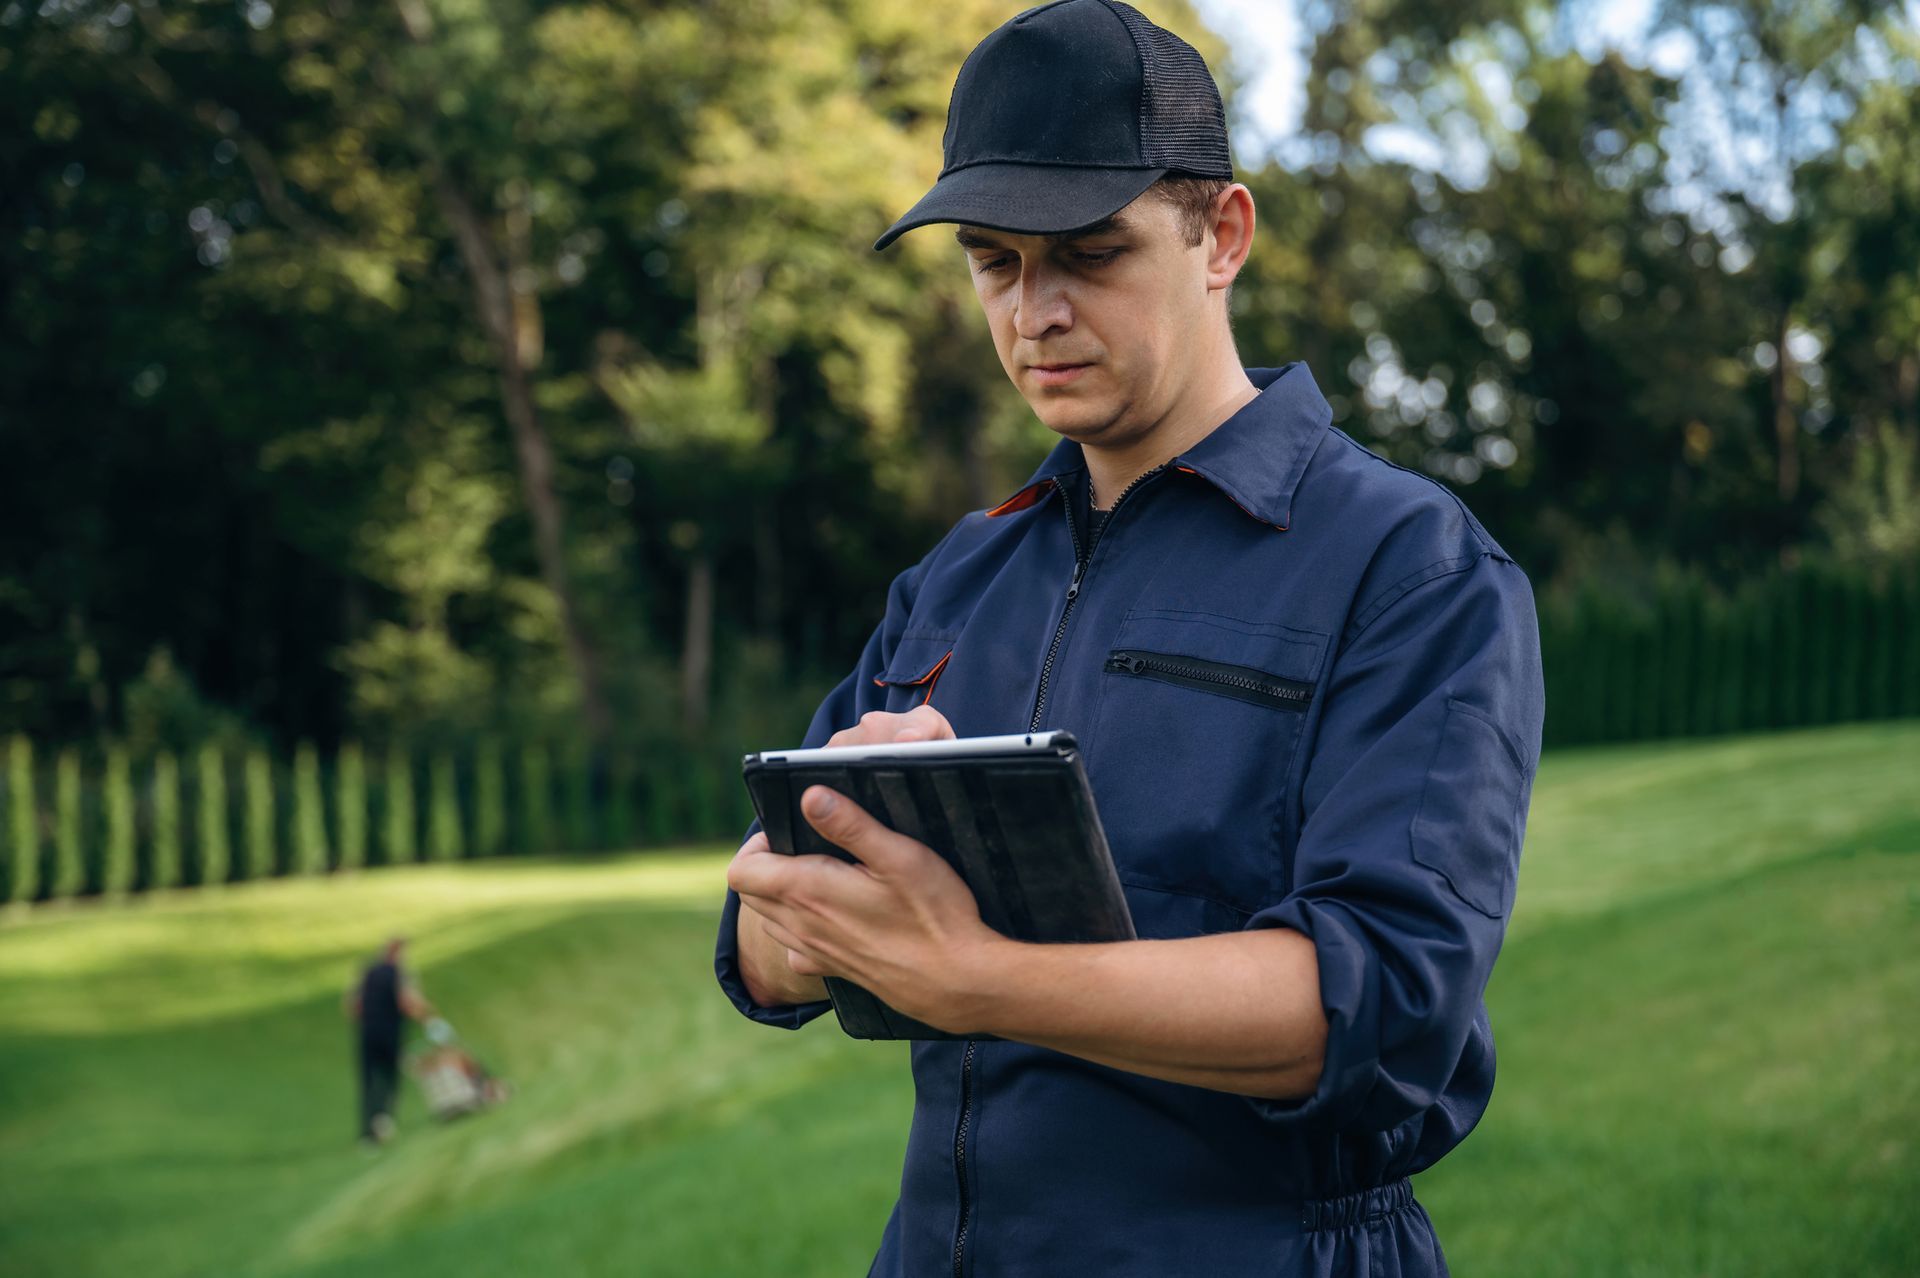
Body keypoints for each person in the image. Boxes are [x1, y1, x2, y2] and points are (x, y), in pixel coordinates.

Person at [716, 2, 1545, 1274]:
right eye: (994, 260)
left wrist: (977, 976)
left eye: (1089, 253)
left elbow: (1378, 1002)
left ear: (1223, 236)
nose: (1033, 311)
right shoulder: (958, 576)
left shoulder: (1406, 563)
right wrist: (809, 895)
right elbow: (761, 954)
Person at [344, 935, 434, 1144]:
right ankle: (383, 1123)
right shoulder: (399, 974)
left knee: (369, 1080)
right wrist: (428, 1017)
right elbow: (407, 1002)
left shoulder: (366, 972)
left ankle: (368, 1132)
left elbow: (352, 1007)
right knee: (389, 1078)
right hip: (389, 1032)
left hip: (367, 1032)